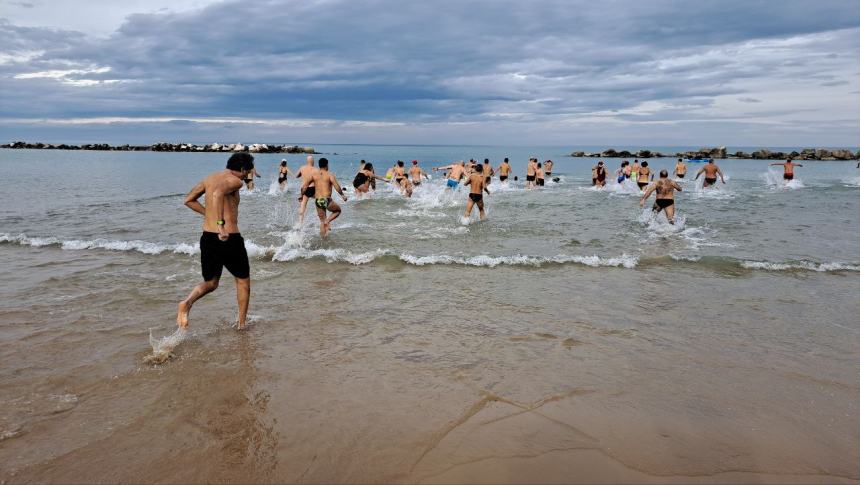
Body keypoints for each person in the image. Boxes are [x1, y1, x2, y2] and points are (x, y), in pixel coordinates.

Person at [177, 152, 254, 330]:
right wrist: (220, 225)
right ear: (242, 169)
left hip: (208, 238)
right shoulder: (236, 181)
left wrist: (209, 214)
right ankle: (242, 325)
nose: (246, 175)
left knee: (211, 283)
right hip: (228, 237)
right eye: (247, 172)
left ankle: (187, 303)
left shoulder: (210, 178)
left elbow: (188, 200)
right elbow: (218, 194)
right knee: (243, 281)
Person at [299, 157, 347, 239]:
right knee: (338, 210)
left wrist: (301, 195)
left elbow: (304, 186)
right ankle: (327, 221)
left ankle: (323, 239)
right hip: (326, 200)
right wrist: (342, 195)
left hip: (318, 201)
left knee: (322, 221)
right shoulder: (329, 174)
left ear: (319, 165)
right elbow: (336, 186)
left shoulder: (314, 174)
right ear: (326, 165)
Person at [295, 155, 317, 224]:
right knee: (320, 202)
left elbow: (296, 176)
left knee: (303, 206)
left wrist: (302, 174)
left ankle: (300, 223)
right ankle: (318, 219)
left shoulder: (302, 168)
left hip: (304, 189)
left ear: (307, 161)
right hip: (313, 189)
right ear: (313, 161)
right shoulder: (316, 169)